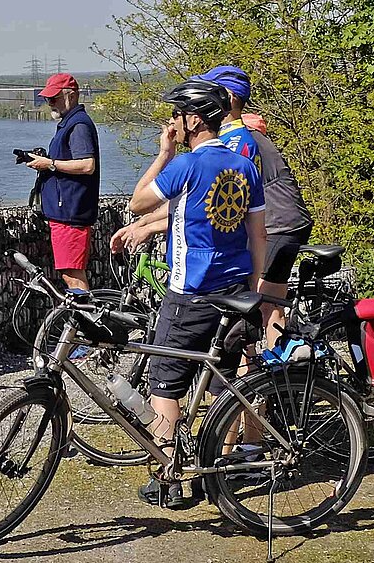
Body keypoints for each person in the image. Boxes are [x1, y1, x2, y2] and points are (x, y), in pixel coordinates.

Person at [111, 79, 265, 509]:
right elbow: (258, 235)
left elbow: (139, 202)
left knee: (166, 382)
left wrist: (164, 152)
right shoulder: (242, 165)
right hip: (235, 290)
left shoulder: (188, 166)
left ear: (193, 119)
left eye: (177, 114)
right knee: (224, 382)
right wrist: (255, 289)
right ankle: (219, 465)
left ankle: (168, 476)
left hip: (190, 293)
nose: (172, 121)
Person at [197, 65, 313, 342]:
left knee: (255, 306)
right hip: (289, 222)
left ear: (227, 97)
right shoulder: (247, 134)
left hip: (277, 226)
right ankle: (270, 370)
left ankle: (259, 374)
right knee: (269, 305)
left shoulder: (237, 140)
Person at [21, 72, 101, 292]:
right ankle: (82, 322)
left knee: (73, 276)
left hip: (71, 214)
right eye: (47, 99)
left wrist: (50, 164)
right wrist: (45, 161)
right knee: (71, 272)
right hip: (66, 212)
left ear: (71, 95)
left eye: (54, 98)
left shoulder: (78, 126)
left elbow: (87, 165)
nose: (50, 103)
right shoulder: (71, 123)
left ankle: (85, 323)